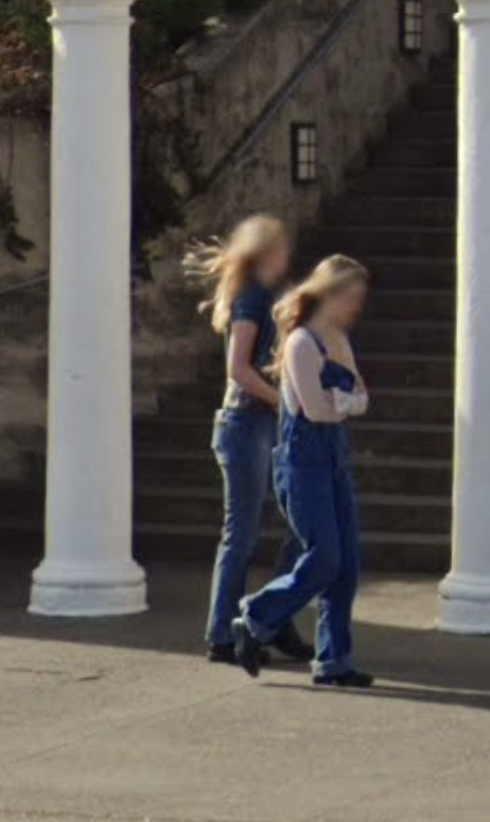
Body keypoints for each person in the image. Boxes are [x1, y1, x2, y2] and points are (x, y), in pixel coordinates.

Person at [232, 255, 375, 689]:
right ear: (328, 294)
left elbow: (362, 398)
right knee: (325, 555)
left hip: (333, 457)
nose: (355, 308)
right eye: (349, 298)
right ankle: (257, 616)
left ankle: (334, 661)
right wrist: (343, 402)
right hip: (301, 463)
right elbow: (316, 409)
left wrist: (343, 402)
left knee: (346, 563)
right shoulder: (300, 342)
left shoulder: (338, 339)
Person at [186, 216, 313, 666]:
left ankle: (271, 616)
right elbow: (238, 368)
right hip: (246, 422)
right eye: (279, 248)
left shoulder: (267, 294)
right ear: (265, 253)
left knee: (300, 524)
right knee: (241, 531)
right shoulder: (253, 295)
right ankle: (223, 631)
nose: (286, 256)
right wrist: (282, 400)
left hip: (260, 423)